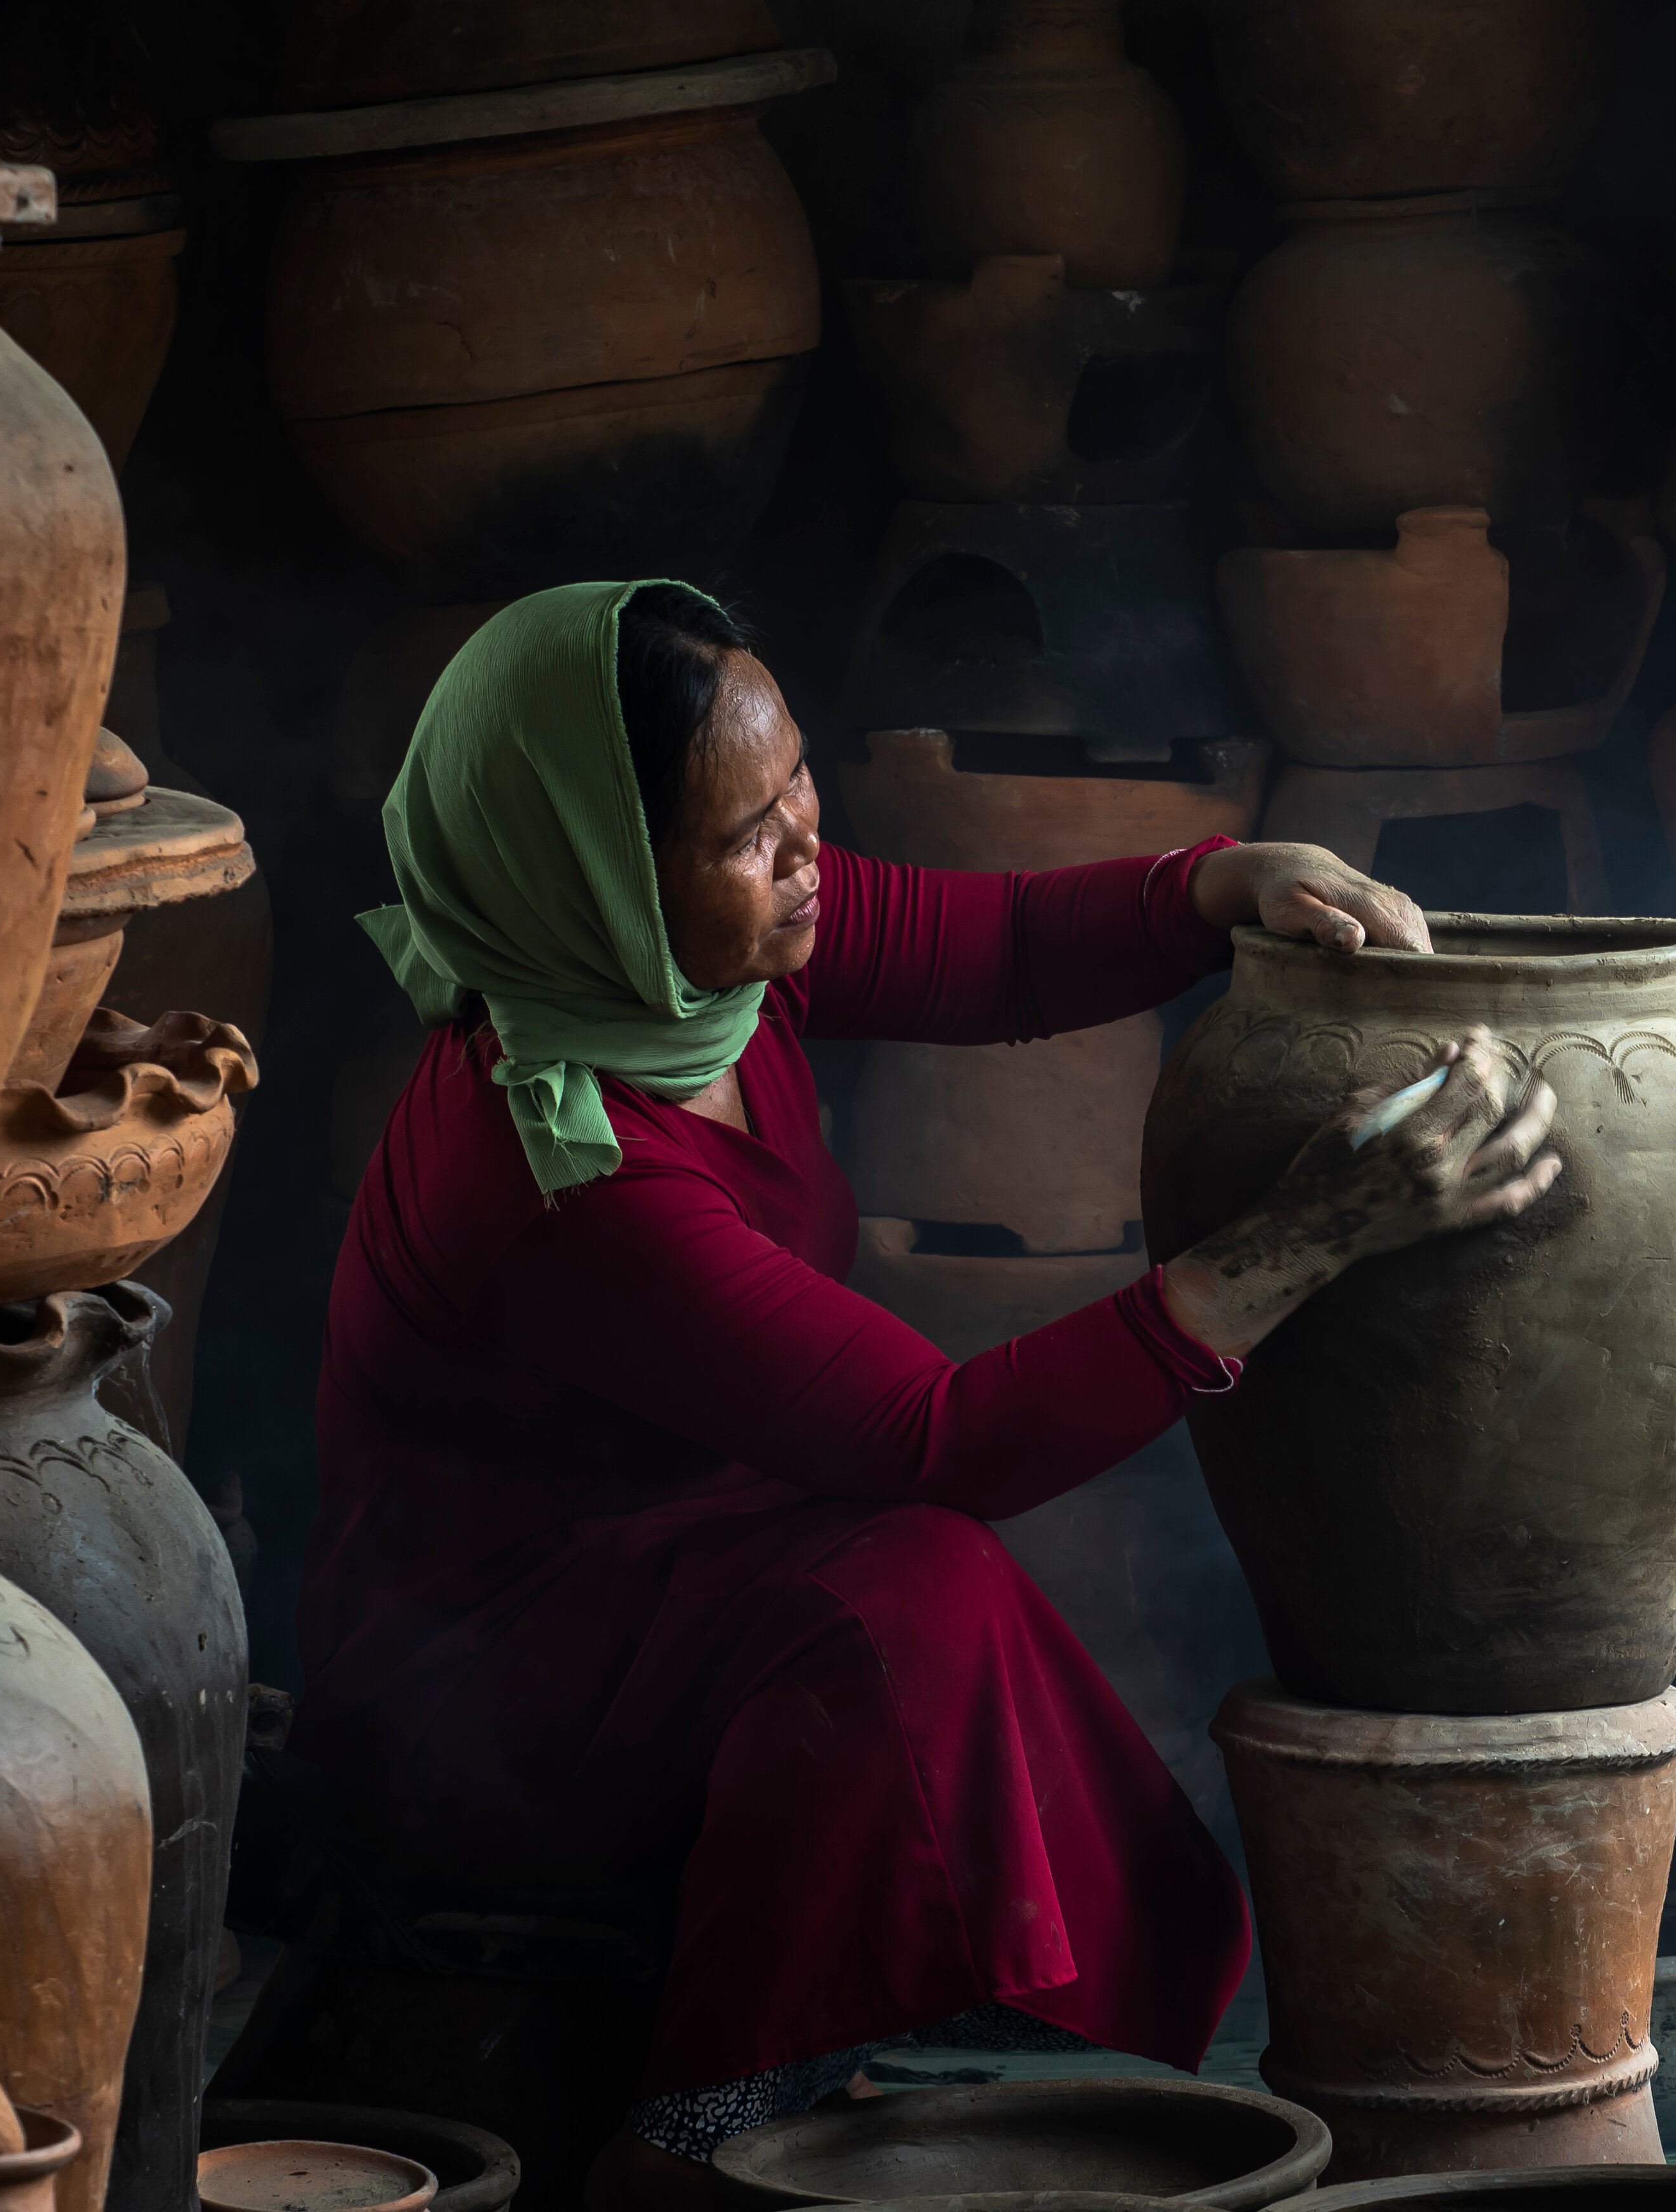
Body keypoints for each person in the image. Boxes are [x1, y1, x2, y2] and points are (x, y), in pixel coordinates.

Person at [291, 579, 1563, 2184]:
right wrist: (1309, 1238)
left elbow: (1001, 948)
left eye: (799, 780)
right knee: (912, 1592)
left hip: (677, 1562)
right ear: (601, 879)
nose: (808, 842)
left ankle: (962, 2034)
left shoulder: (691, 974)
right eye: (748, 831)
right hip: (487, 1675)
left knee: (916, 1597)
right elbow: (935, 1436)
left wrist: (1221, 882)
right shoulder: (563, 1173)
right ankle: (706, 2130)